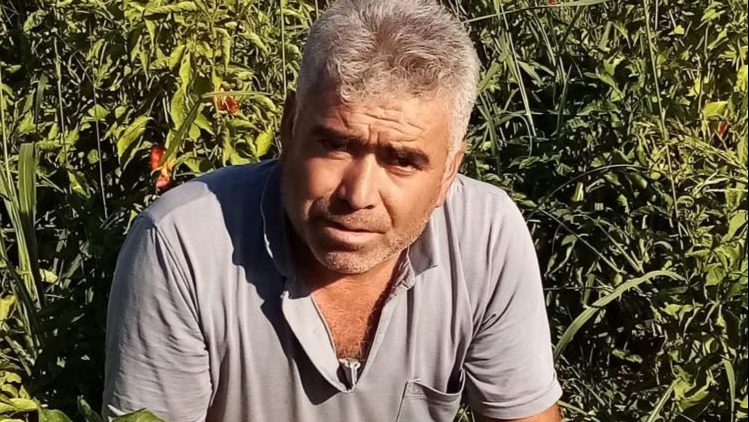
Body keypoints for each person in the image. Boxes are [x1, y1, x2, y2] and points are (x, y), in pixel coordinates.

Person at [102, 0, 563, 421]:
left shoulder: (485, 238)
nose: (357, 194)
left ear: (448, 172)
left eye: (402, 160)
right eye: (336, 145)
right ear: (289, 126)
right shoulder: (182, 244)